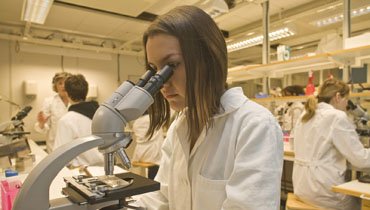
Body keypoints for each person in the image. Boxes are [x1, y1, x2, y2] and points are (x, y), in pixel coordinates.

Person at [137, 5, 284, 210]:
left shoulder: (254, 125)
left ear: (208, 60)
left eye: (172, 65)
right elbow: (161, 197)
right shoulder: (180, 125)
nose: (162, 82)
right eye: (155, 70)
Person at [292, 78, 370, 210]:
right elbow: (360, 160)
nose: (346, 106)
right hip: (323, 192)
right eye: (346, 100)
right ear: (338, 97)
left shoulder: (305, 114)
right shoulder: (337, 116)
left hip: (301, 187)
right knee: (361, 203)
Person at [53, 74, 104, 168]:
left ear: (67, 93)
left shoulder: (67, 120)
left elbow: (59, 157)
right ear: (86, 92)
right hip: (104, 169)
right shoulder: (101, 115)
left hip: (82, 174)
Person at [34, 72, 71, 152]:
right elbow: (42, 129)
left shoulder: (76, 102)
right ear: (56, 86)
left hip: (72, 146)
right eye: (60, 83)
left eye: (66, 83)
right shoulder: (49, 102)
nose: (63, 86)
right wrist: (42, 123)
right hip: (54, 147)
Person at [131, 112, 167, 179]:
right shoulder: (155, 119)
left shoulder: (137, 122)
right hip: (154, 151)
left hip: (140, 152)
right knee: (156, 172)